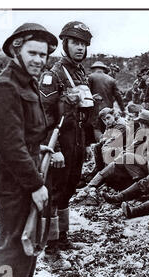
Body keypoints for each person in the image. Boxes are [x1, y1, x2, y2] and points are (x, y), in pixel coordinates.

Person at [0, 23, 57, 277]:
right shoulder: (6, 88)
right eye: (33, 53)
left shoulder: (26, 83)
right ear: (16, 51)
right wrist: (35, 184)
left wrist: (38, 147)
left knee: (27, 241)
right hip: (14, 180)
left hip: (25, 170)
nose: (39, 60)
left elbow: (14, 132)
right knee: (12, 246)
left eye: (43, 55)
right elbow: (9, 144)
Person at [39, 21, 94, 254]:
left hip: (79, 137)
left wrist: (89, 142)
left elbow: (85, 109)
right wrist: (56, 148)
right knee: (55, 189)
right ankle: (50, 243)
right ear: (65, 44)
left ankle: (63, 237)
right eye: (75, 43)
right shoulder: (53, 75)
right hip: (62, 138)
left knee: (70, 186)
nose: (80, 48)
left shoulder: (80, 72)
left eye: (83, 44)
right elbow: (46, 114)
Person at [88, 61, 125, 142]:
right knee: (107, 129)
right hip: (108, 110)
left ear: (94, 69)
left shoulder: (90, 77)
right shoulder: (111, 80)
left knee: (96, 128)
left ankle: (99, 146)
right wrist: (123, 109)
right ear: (104, 69)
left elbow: (86, 94)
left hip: (94, 109)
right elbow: (118, 96)